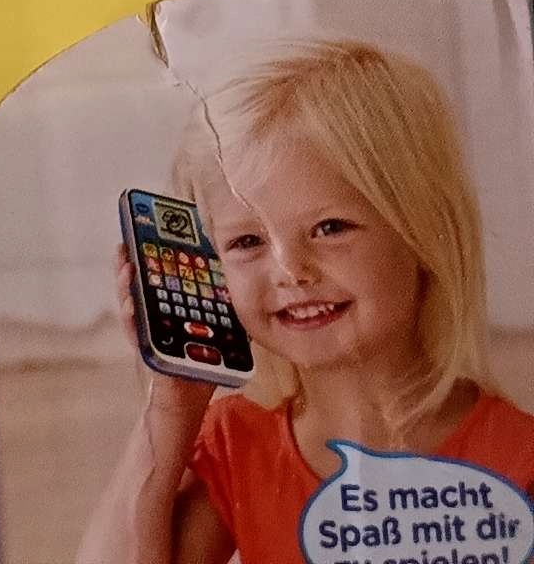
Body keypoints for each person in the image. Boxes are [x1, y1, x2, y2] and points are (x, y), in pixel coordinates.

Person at [75, 39, 534, 562]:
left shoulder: (519, 457)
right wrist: (172, 406)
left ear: (424, 231)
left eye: (329, 228)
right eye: (247, 241)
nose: (290, 270)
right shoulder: (237, 447)